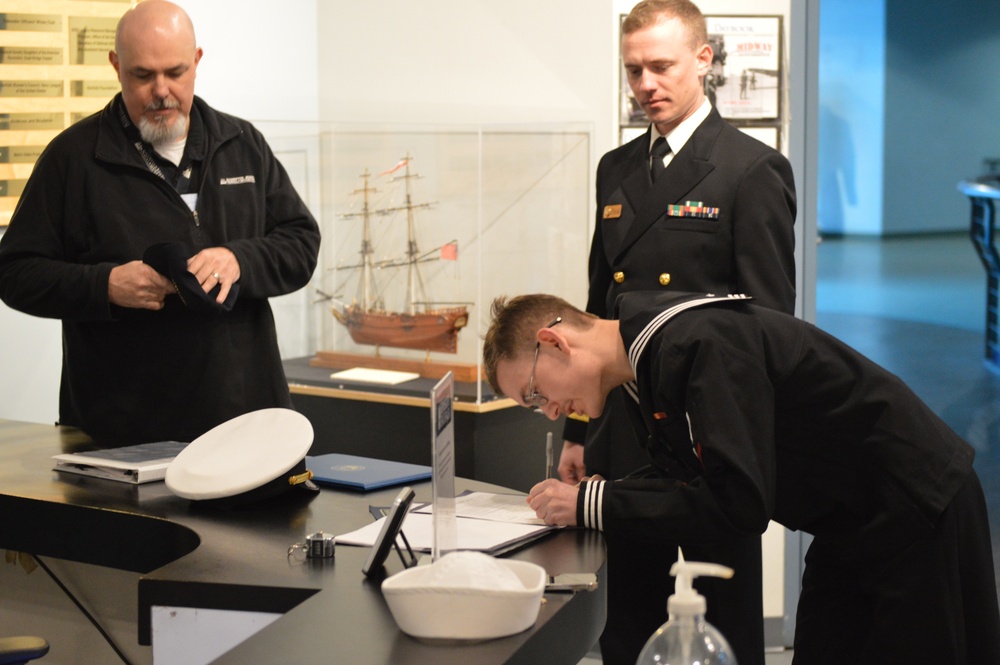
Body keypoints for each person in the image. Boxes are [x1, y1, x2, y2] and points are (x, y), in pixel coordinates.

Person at [484, 291, 1000, 665]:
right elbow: (683, 475)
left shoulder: (695, 344)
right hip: (851, 524)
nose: (550, 412)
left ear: (552, 342)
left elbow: (739, 503)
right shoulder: (650, 356)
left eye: (533, 394)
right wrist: (594, 499)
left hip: (915, 509)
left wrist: (591, 504)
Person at [559, 1, 796, 661]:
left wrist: (750, 447)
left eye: (660, 67)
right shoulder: (617, 168)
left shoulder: (750, 169)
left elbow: (770, 326)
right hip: (629, 432)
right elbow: (596, 312)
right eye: (633, 70)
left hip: (708, 435)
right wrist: (578, 428)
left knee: (726, 617)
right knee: (628, 618)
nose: (646, 85)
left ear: (703, 60)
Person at [0, 0, 320, 446]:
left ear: (197, 62)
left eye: (175, 72)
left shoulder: (242, 143)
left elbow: (301, 243)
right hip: (123, 432)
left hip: (247, 419)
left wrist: (239, 260)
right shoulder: (71, 159)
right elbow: (15, 273)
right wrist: (104, 286)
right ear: (116, 66)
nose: (162, 91)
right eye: (143, 75)